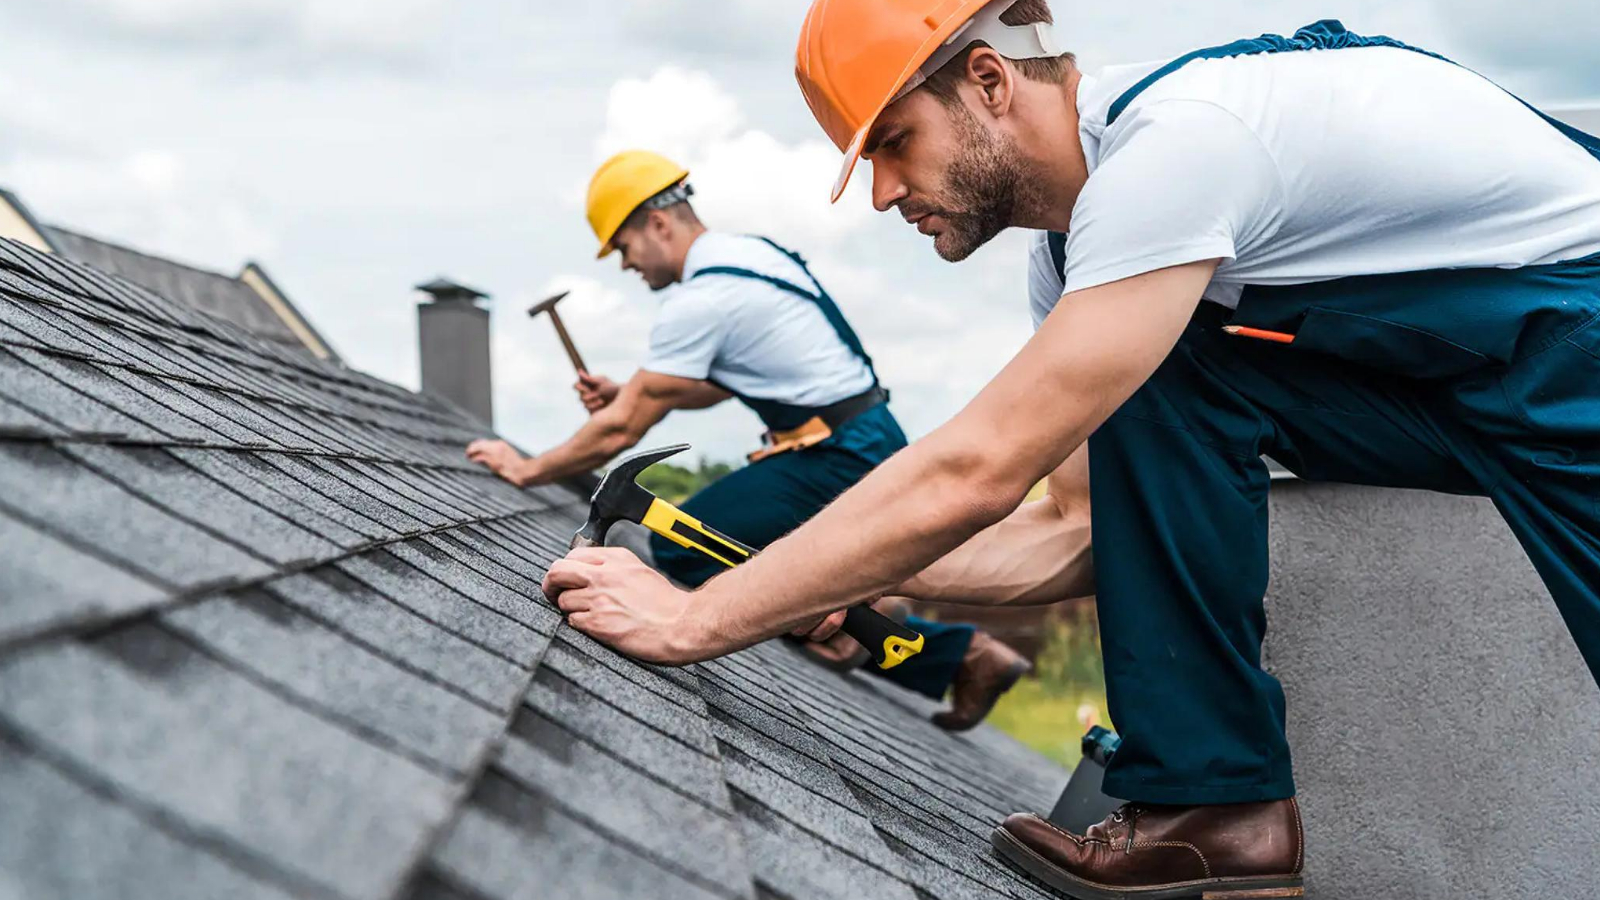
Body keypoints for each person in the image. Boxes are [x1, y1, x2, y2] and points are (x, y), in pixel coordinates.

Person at [539, 1, 1600, 897]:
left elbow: (978, 468)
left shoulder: (1180, 147)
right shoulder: (1082, 265)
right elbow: (1076, 535)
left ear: (989, 81)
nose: (880, 193)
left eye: (893, 143)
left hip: (1575, 337)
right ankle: (1213, 809)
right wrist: (815, 580)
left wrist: (696, 617)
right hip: (1456, 378)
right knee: (1167, 370)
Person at [466, 149, 1029, 731]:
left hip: (834, 455)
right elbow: (712, 387)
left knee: (685, 548)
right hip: (859, 438)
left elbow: (622, 428)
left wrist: (526, 468)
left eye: (625, 248)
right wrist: (630, 391)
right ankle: (917, 640)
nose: (627, 266)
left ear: (657, 223)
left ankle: (908, 638)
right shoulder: (750, 257)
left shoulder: (702, 297)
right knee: (774, 565)